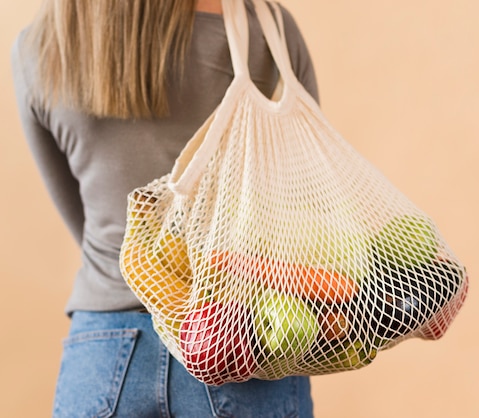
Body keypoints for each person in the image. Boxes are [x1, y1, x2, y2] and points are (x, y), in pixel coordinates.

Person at [11, 0, 319, 416]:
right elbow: (301, 200)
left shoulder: (41, 46)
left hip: (103, 351)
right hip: (237, 339)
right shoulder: (265, 29)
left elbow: (81, 221)